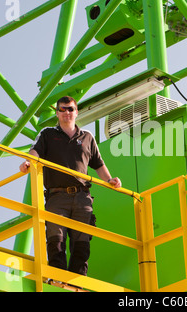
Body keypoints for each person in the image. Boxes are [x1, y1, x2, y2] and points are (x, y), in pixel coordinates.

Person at [19, 96, 121, 276]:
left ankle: (77, 282)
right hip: (57, 196)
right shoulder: (48, 134)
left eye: (70, 109)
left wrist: (110, 180)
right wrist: (28, 162)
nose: (67, 113)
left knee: (82, 243)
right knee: (55, 240)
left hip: (82, 197)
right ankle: (58, 280)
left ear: (76, 112)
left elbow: (98, 164)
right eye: (63, 109)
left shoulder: (87, 137)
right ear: (57, 113)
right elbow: (35, 151)